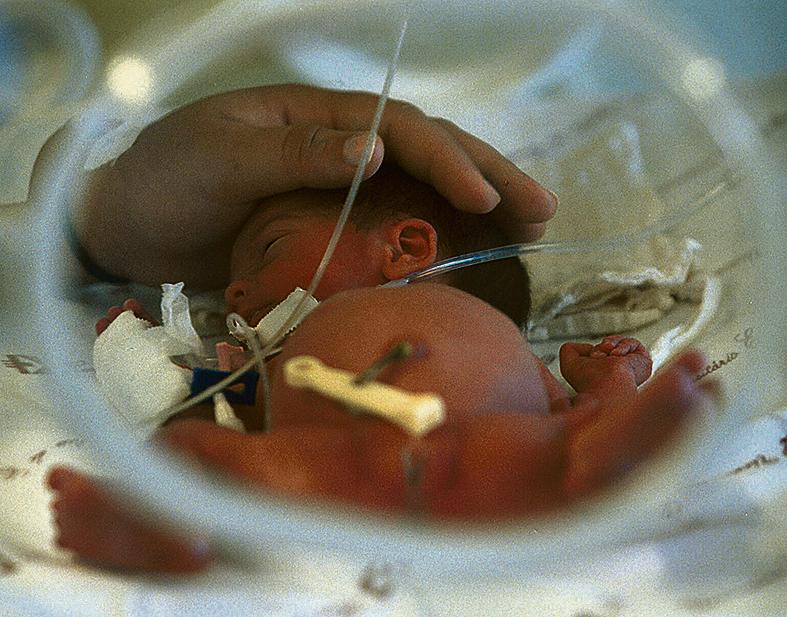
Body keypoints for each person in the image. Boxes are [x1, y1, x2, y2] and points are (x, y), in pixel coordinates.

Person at [44, 85, 712, 573]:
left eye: (270, 248)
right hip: (332, 470)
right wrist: (150, 349)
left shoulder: (494, 334)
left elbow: (556, 404)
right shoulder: (275, 348)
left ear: (408, 247)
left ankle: (605, 463)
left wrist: (609, 380)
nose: (236, 290)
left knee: (569, 441)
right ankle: (159, 523)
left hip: (486, 454)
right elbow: (230, 407)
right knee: (193, 445)